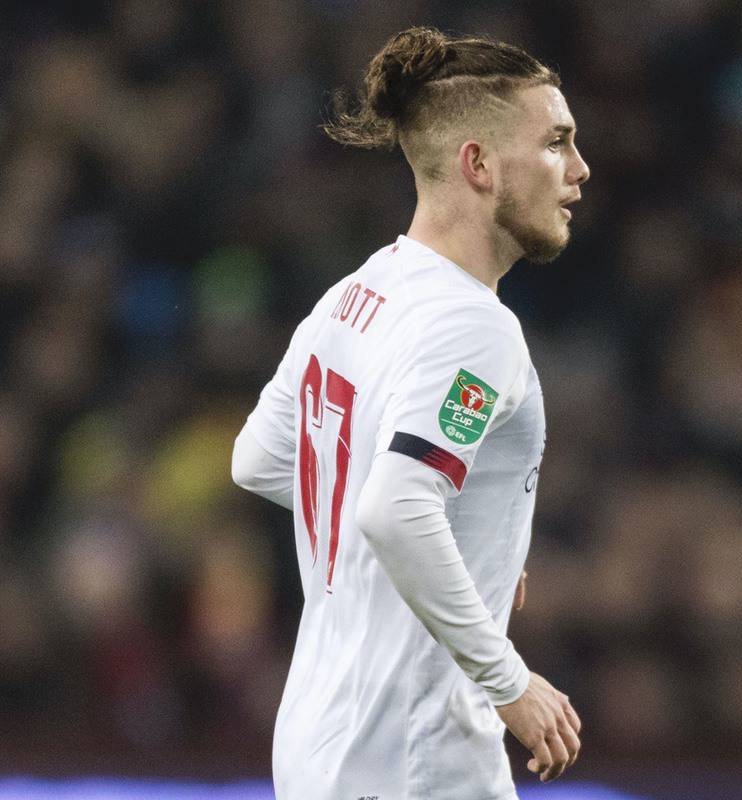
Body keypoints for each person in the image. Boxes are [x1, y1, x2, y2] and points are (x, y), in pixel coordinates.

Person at [230, 26, 589, 800]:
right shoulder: (475, 328)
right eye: (557, 142)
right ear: (479, 164)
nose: (580, 170)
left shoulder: (358, 293)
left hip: (317, 741)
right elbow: (395, 509)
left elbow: (259, 459)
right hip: (415, 754)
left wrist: (446, 551)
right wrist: (509, 681)